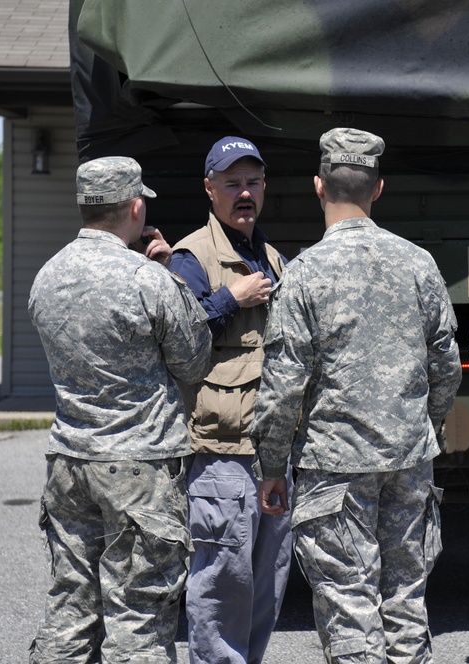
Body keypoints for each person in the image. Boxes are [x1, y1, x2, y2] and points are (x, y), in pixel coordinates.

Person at [250, 127, 461, 664]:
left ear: (319, 187)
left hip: (334, 465)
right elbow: (446, 366)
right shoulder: (418, 264)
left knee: (350, 609)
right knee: (406, 603)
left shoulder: (303, 274)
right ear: (379, 189)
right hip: (409, 459)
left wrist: (272, 464)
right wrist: (428, 429)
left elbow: (282, 384)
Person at [28, 156, 213, 662]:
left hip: (69, 459)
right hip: (140, 468)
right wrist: (166, 273)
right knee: (139, 620)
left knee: (70, 608)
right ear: (135, 206)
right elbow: (194, 362)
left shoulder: (47, 275)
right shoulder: (147, 279)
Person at [168, 136, 293, 664]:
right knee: (221, 588)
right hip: (221, 456)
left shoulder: (273, 258)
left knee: (267, 587)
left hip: (273, 457)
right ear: (209, 188)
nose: (245, 193)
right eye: (232, 183)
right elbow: (175, 341)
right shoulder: (191, 257)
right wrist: (228, 299)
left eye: (253, 182)